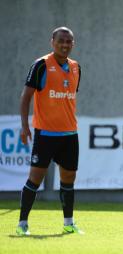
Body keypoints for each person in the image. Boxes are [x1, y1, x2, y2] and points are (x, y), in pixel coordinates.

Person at [16, 27, 84, 236]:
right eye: (61, 41)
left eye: (69, 41)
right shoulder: (41, 65)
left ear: (73, 43)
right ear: (52, 42)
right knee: (35, 179)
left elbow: (68, 97)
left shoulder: (76, 68)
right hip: (45, 134)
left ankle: (68, 223)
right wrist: (25, 126)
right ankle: (22, 225)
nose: (65, 45)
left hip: (70, 134)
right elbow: (26, 97)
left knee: (69, 178)